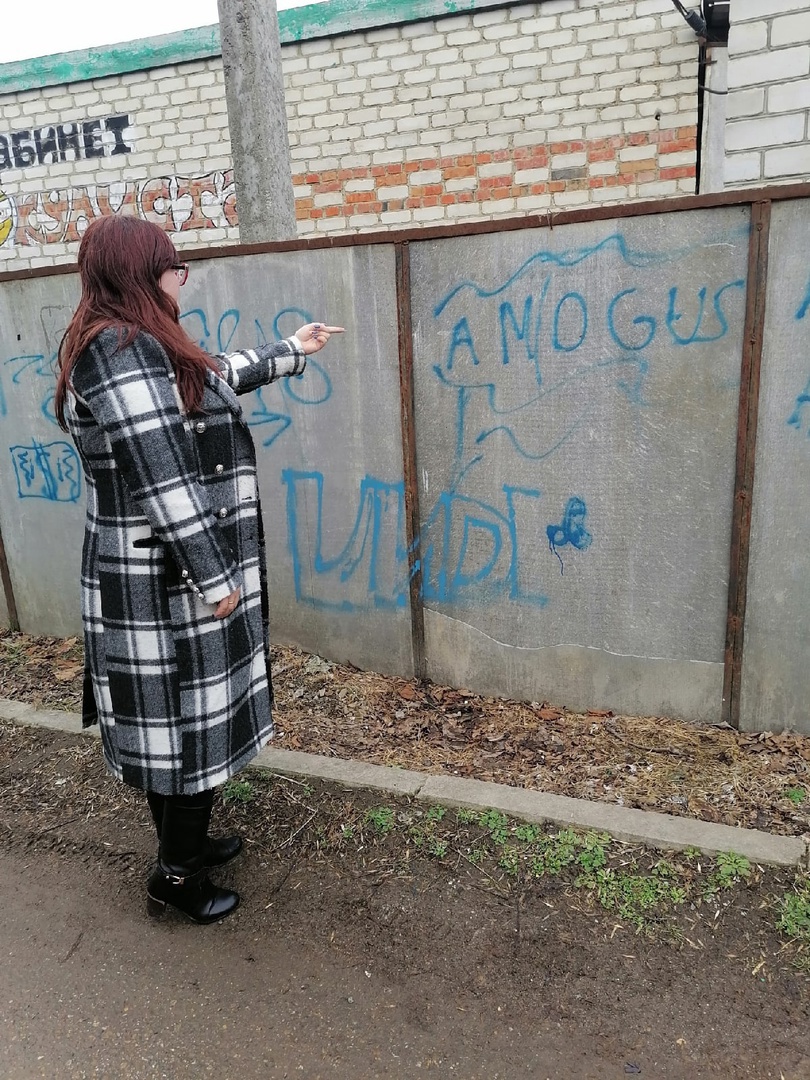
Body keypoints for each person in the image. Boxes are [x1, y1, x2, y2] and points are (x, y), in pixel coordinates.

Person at [55, 215, 343, 925]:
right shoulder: (116, 351)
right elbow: (163, 478)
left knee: (181, 726)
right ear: (142, 274)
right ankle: (175, 877)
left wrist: (289, 350)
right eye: (173, 269)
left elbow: (207, 376)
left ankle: (184, 846)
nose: (180, 281)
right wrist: (215, 579)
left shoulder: (140, 343)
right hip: (165, 582)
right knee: (185, 727)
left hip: (163, 576)